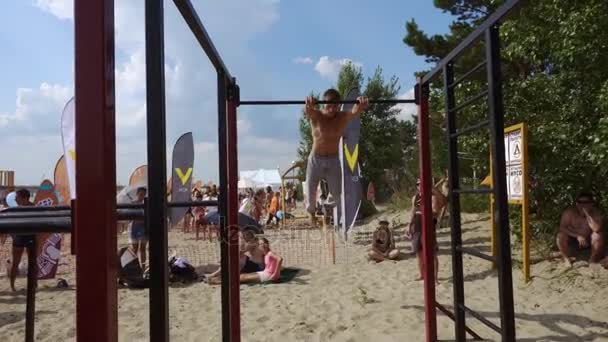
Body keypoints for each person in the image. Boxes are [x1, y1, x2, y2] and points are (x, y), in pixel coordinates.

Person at [304, 89, 369, 226]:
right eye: (328, 106)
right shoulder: (317, 116)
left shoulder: (342, 117)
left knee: (337, 193)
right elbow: (308, 111)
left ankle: (327, 208)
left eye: (335, 106)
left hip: (333, 159)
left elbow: (355, 111)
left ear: (339, 106)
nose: (331, 109)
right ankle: (311, 213)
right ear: (323, 105)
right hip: (316, 159)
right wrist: (309, 104)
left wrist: (361, 104)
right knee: (310, 188)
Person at [407, 179, 445, 283]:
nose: (420, 186)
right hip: (417, 227)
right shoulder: (415, 198)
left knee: (432, 254)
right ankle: (421, 274)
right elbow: (412, 211)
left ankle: (435, 278)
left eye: (422, 184)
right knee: (419, 252)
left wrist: (433, 189)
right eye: (418, 184)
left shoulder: (432, 197)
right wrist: (409, 225)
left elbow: (439, 207)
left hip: (428, 227)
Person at [556, 192, 604, 267]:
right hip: (573, 240)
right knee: (560, 235)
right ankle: (566, 259)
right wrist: (577, 236)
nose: (582, 205)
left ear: (591, 204)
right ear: (576, 203)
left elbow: (596, 229)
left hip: (588, 241)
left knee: (598, 235)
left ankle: (592, 260)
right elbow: (562, 228)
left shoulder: (596, 214)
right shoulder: (569, 213)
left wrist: (588, 215)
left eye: (585, 202)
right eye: (579, 202)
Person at [8, 189, 35, 291]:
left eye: (17, 196)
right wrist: (13, 235)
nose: (14, 198)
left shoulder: (34, 208)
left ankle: (34, 285)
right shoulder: (16, 209)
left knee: (32, 262)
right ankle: (12, 286)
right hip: (19, 236)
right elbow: (10, 224)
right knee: (15, 262)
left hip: (30, 236)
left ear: (24, 198)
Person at [129, 187, 148, 268]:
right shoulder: (133, 203)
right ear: (137, 194)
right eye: (140, 194)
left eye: (143, 194)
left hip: (144, 227)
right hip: (134, 227)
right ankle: (134, 267)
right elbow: (129, 216)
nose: (142, 195)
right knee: (135, 249)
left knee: (142, 248)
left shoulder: (146, 203)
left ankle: (143, 266)